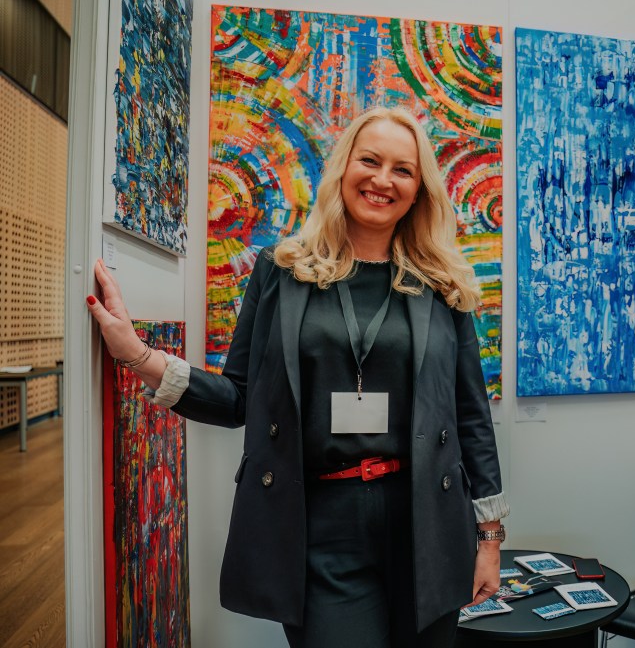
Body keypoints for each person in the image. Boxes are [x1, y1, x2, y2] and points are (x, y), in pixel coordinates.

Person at [87, 106, 509, 647]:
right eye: (370, 161)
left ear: (418, 190)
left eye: (402, 170)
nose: (383, 180)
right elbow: (237, 397)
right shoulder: (281, 270)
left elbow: (472, 416)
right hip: (320, 524)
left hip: (426, 522)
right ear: (343, 168)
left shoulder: (441, 283)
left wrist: (490, 538)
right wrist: (138, 355)